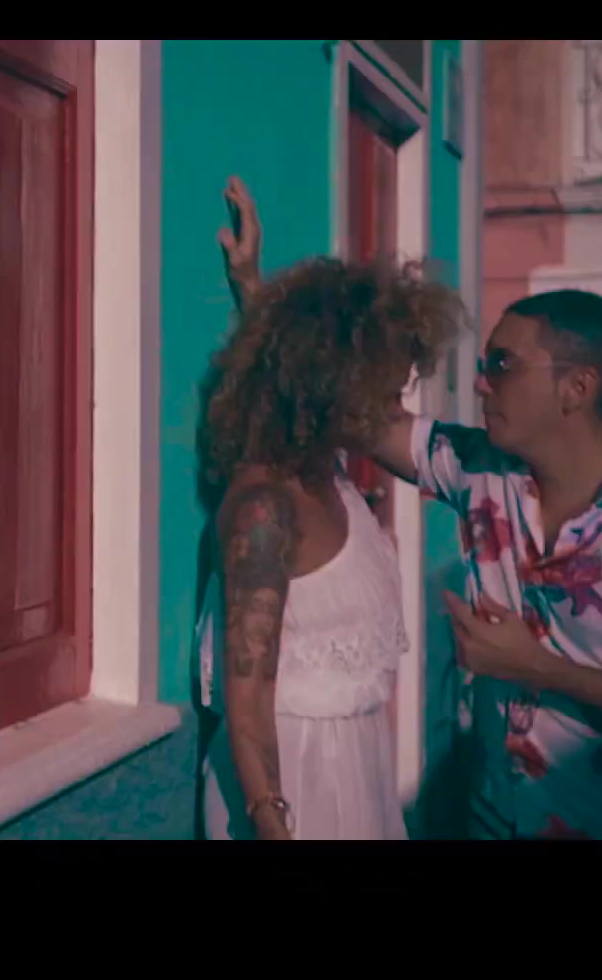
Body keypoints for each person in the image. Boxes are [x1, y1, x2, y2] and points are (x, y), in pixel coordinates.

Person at [221, 178, 602, 840]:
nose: (480, 382)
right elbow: (342, 402)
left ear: (576, 387)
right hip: (492, 819)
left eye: (502, 364)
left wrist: (540, 669)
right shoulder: (481, 469)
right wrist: (257, 297)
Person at [196, 178, 465, 839]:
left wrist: (253, 289)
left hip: (357, 768)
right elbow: (248, 697)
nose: (393, 404)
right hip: (293, 783)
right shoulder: (264, 510)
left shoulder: (330, 471)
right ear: (330, 385)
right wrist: (273, 821)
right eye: (381, 386)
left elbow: (288, 364)